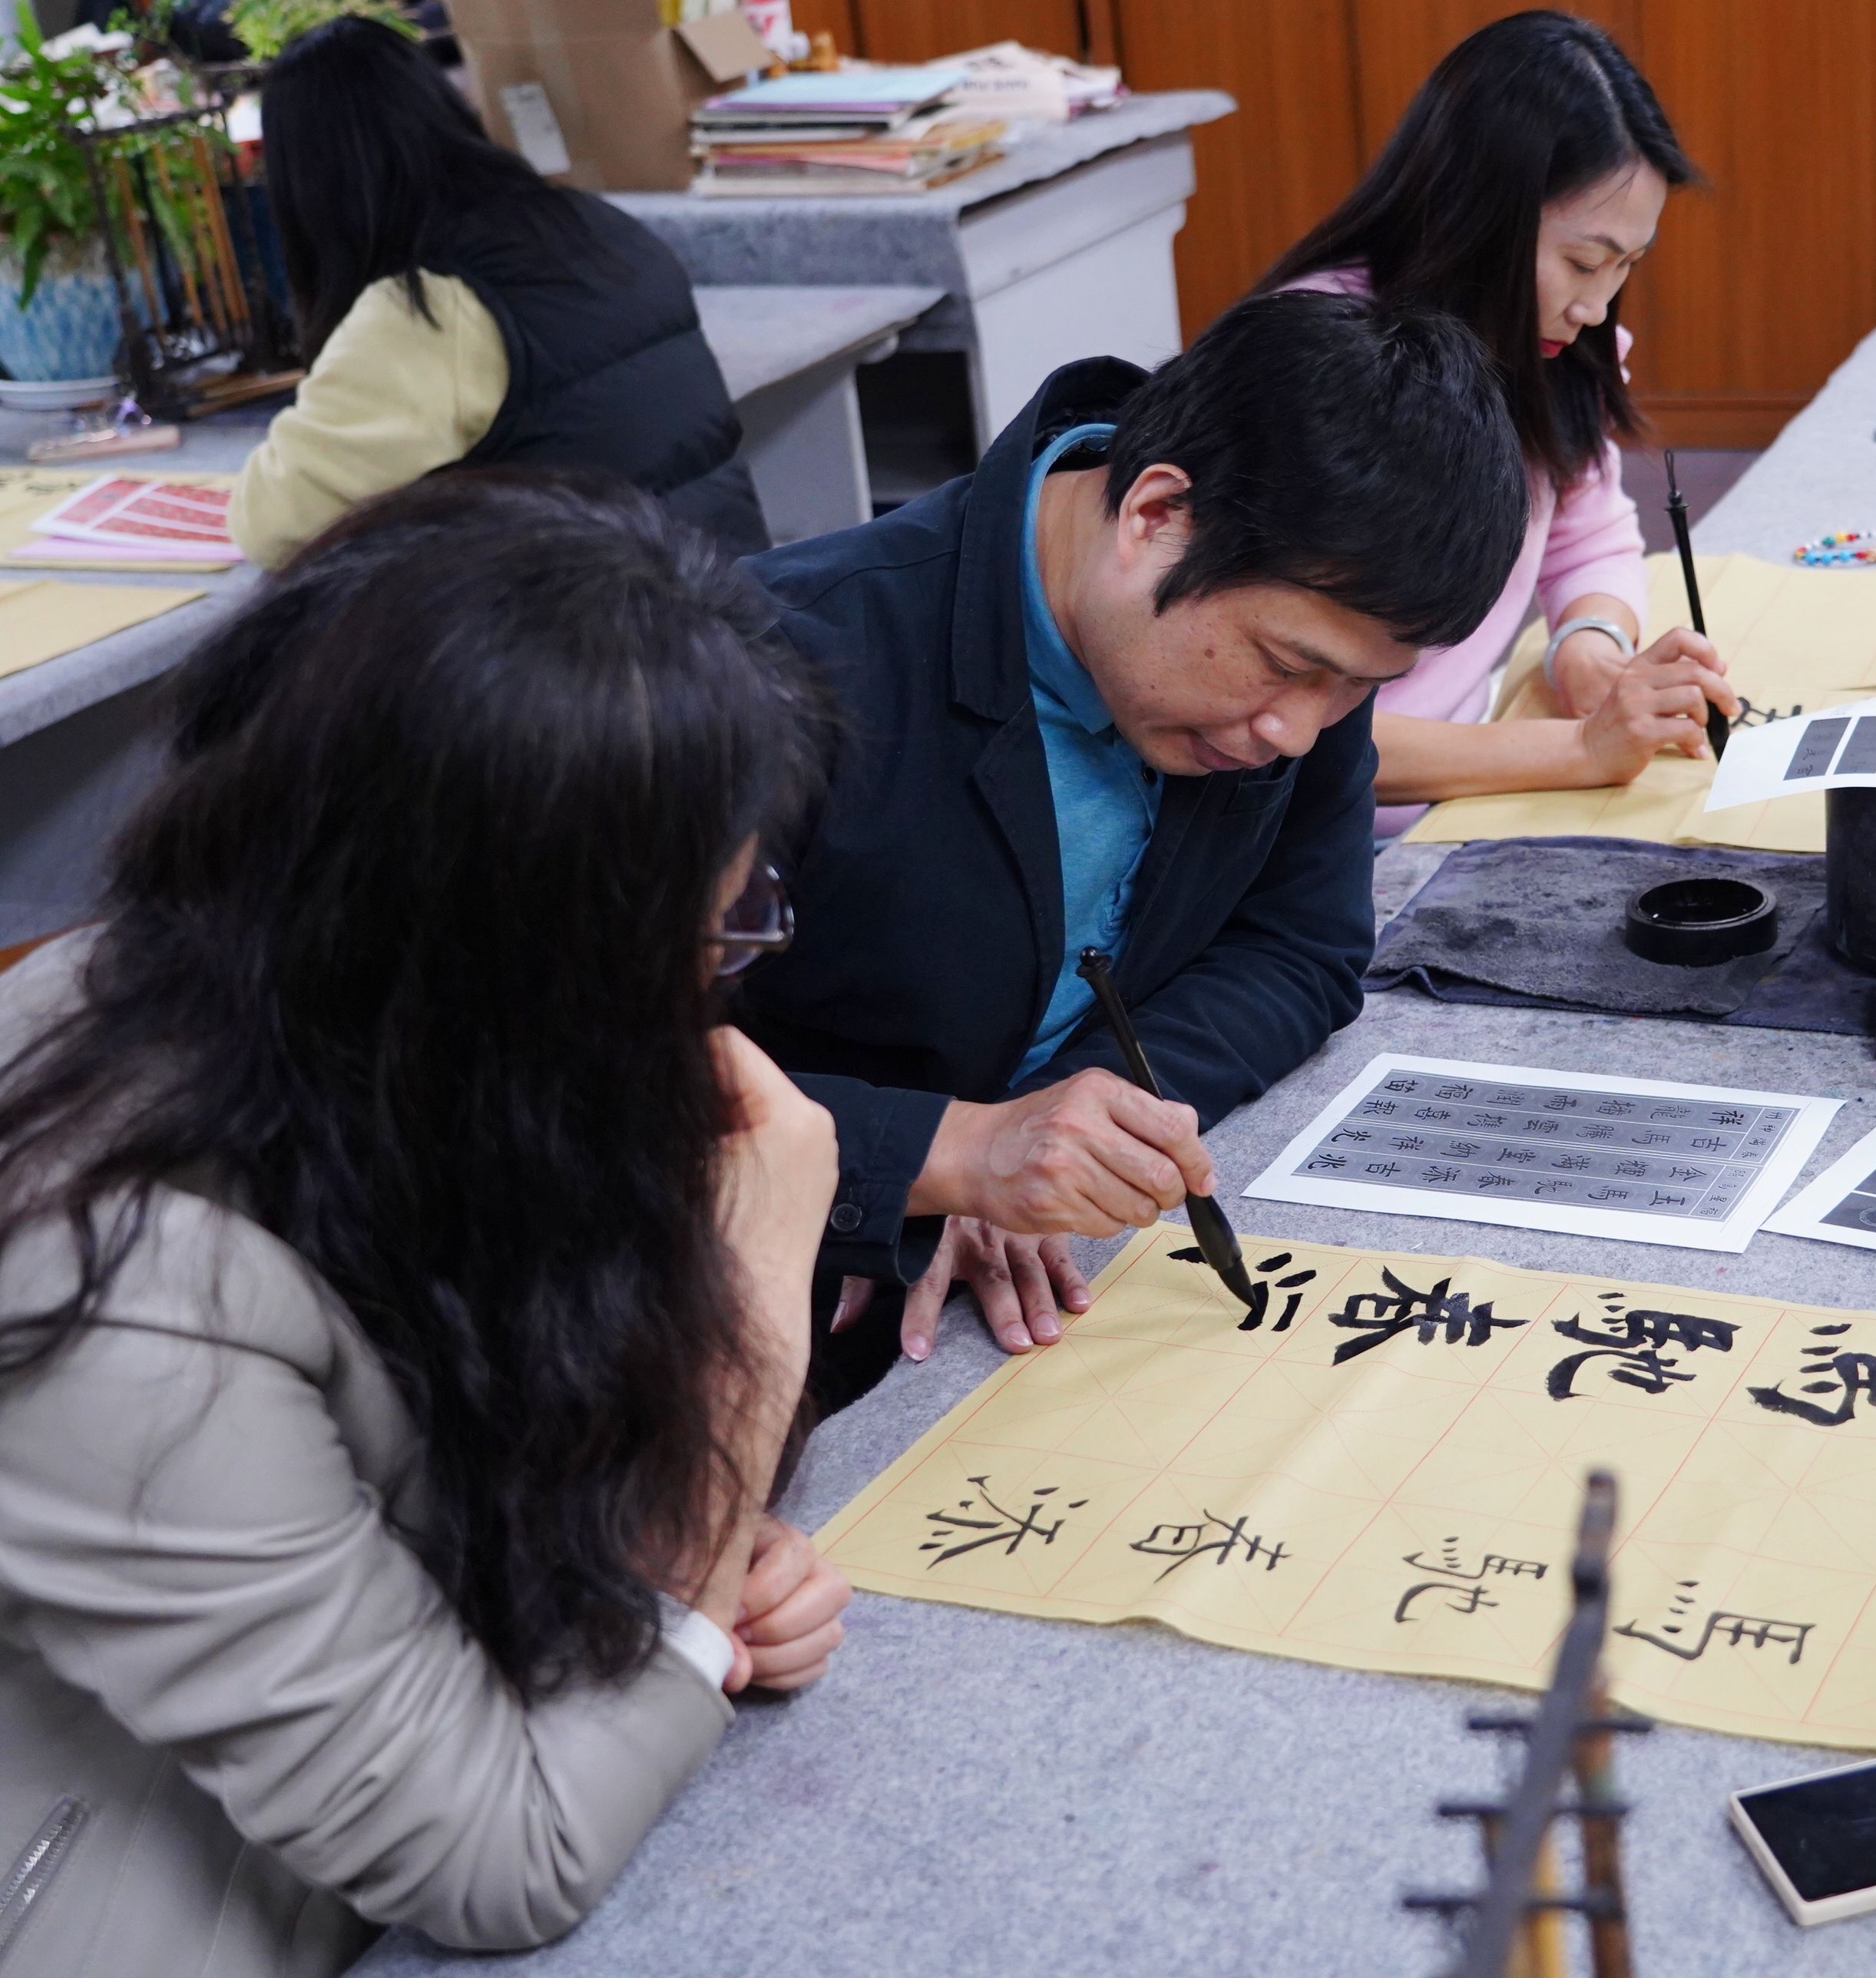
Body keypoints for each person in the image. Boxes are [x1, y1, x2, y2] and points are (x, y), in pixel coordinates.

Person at [0, 476, 849, 1977]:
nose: (709, 985)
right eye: (703, 933)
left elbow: (493, 1429)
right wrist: (758, 1326)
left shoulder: (371, 1035)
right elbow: (500, 1861)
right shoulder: (112, 1271)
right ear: (505, 954)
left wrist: (684, 1563)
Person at [734, 289, 1524, 1401]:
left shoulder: (1305, 658)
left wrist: (1077, 1125)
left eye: (1357, 688)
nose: (1298, 733)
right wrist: (946, 1154)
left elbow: (1298, 948)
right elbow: (570, 1082)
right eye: (1285, 664)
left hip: (1017, 1291)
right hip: (762, 1294)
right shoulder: (773, 670)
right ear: (1154, 515)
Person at [1259, 11, 1732, 838]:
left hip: (1464, 791)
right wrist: (1578, 748)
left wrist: (1588, 642)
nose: (1594, 308)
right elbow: (1284, 726)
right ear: (1480, 213)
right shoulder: (1328, 372)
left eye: (1625, 267)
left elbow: (1588, 536)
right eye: (1583, 262)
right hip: (1326, 839)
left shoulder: (1548, 344)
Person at [227, 18, 768, 570]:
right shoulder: (591, 222)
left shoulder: (431, 306)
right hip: (727, 594)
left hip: (604, 615)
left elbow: (274, 524)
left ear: (306, 185)